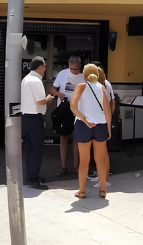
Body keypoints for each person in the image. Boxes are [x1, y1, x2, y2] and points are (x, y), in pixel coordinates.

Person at [69, 64, 111, 199]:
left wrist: (85, 120)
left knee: (84, 160)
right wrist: (109, 129)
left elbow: (73, 106)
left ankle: (82, 191)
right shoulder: (102, 88)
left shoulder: (81, 86)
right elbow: (107, 111)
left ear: (84, 75)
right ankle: (103, 190)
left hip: (83, 125)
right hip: (101, 125)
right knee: (100, 160)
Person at [21, 56, 54, 190]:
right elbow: (40, 101)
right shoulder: (35, 81)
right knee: (36, 149)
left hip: (26, 118)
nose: (45, 69)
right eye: (45, 66)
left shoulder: (26, 79)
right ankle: (33, 179)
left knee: (29, 149)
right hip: (34, 119)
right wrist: (49, 97)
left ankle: (31, 175)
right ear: (40, 66)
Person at [49, 55, 83, 177]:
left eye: (76, 69)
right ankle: (63, 166)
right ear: (69, 65)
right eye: (72, 69)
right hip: (63, 108)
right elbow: (52, 88)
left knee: (76, 137)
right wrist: (58, 94)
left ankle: (76, 166)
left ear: (80, 67)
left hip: (77, 109)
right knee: (63, 136)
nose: (74, 72)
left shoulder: (83, 77)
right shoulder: (62, 74)